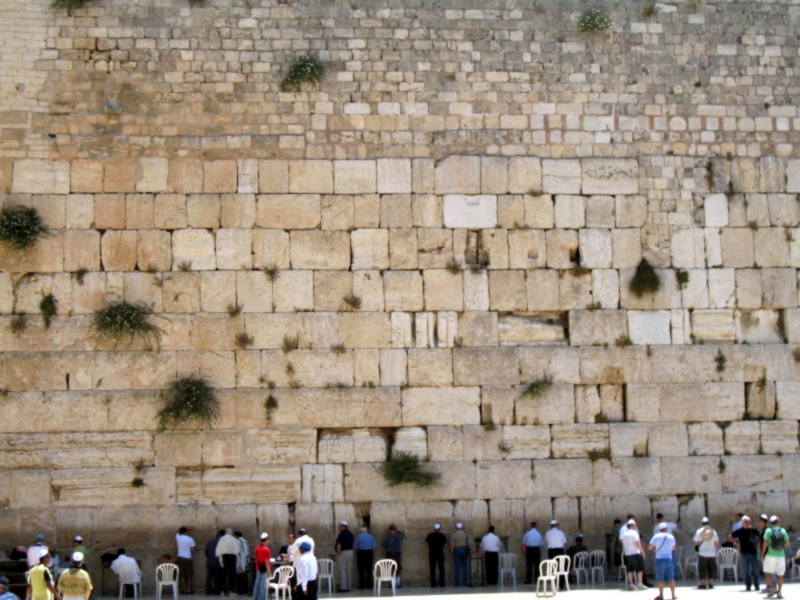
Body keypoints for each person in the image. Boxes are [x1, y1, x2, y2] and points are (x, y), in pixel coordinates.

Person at [729, 515, 760, 591]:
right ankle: (748, 585)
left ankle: (756, 585)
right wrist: (736, 543)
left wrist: (757, 543)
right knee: (746, 570)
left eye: (749, 522)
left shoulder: (753, 529)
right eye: (746, 522)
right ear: (742, 522)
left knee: (756, 569)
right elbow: (730, 536)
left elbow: (760, 535)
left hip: (753, 552)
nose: (748, 523)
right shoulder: (740, 531)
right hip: (744, 552)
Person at [762, 515, 788, 599]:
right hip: (781, 555)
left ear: (771, 522)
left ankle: (773, 587)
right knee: (780, 574)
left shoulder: (768, 531)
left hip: (770, 555)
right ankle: (779, 592)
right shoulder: (783, 530)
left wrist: (762, 555)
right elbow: (787, 543)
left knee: (767, 571)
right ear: (778, 522)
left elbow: (765, 544)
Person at [649, 523, 677, 600]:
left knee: (660, 578)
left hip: (659, 559)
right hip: (669, 558)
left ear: (659, 529)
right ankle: (673, 595)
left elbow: (650, 547)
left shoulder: (656, 536)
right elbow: (673, 548)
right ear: (666, 529)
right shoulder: (671, 537)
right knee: (671, 577)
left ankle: (661, 595)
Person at [692, 517, 719, 589]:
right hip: (712, 553)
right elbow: (716, 543)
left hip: (702, 553)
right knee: (712, 568)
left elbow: (695, 542)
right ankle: (711, 583)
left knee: (702, 568)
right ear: (709, 523)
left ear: (702, 523)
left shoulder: (699, 531)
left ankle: (703, 583)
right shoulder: (713, 532)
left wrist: (697, 546)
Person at [621, 520, 647, 591]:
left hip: (627, 554)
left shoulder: (625, 534)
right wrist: (643, 552)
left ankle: (631, 584)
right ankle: (640, 584)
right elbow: (637, 544)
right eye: (635, 525)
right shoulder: (634, 533)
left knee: (630, 570)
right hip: (635, 553)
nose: (636, 526)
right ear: (632, 525)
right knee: (640, 569)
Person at [216, 528, 240, 596]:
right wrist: (237, 562)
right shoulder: (234, 539)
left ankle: (222, 590)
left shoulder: (222, 539)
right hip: (232, 557)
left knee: (223, 574)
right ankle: (231, 590)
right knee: (231, 574)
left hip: (224, 556)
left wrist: (220, 560)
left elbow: (219, 549)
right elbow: (237, 550)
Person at [545, 520, 567, 590]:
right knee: (561, 567)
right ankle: (561, 584)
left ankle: (554, 583)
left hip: (551, 551)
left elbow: (546, 540)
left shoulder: (548, 533)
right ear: (556, 525)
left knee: (553, 567)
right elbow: (565, 542)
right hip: (560, 551)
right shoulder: (560, 532)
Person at [175, 526, 196, 595]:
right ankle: (188, 589)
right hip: (188, 558)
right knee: (189, 574)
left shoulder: (178, 537)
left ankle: (184, 589)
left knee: (182, 574)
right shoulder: (190, 539)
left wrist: (187, 529)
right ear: (186, 532)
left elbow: (178, 532)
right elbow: (193, 550)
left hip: (180, 557)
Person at [424, 523, 446, 588]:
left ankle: (433, 584)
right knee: (441, 568)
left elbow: (426, 544)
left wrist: (431, 546)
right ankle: (442, 583)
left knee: (432, 568)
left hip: (432, 551)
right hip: (440, 551)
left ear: (434, 528)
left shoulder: (430, 535)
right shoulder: (442, 535)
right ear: (439, 528)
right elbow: (445, 544)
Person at [334, 522, 353, 592]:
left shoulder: (342, 534)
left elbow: (339, 544)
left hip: (343, 552)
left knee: (342, 570)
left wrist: (338, 553)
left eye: (339, 526)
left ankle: (343, 587)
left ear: (342, 526)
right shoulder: (350, 534)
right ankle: (348, 587)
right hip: (350, 552)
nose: (339, 528)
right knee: (348, 570)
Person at [252, 533, 272, 600]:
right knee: (263, 585)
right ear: (266, 539)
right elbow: (267, 561)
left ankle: (255, 598)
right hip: (264, 569)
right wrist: (269, 572)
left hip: (258, 568)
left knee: (257, 584)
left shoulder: (257, 548)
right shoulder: (266, 549)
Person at [205, 531, 224, 596]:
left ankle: (208, 591)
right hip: (217, 562)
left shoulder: (210, 541)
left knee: (209, 577)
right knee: (217, 577)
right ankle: (217, 591)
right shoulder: (221, 542)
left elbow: (206, 551)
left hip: (209, 562)